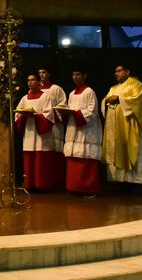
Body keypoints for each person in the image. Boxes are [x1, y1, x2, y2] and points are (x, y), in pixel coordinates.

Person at [102, 65, 142, 187]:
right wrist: (106, 101)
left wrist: (119, 99)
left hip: (130, 126)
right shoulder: (113, 88)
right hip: (116, 128)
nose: (116, 73)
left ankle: (136, 183)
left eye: (119, 71)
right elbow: (106, 100)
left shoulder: (136, 85)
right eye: (115, 71)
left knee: (134, 151)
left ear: (127, 71)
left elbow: (138, 101)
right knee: (117, 151)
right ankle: (120, 181)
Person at [15, 74, 65, 191]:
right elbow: (17, 114)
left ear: (38, 82)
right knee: (29, 159)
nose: (30, 82)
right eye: (28, 80)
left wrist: (35, 116)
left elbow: (49, 115)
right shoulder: (24, 98)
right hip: (29, 132)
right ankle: (30, 184)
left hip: (41, 135)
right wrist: (23, 116)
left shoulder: (45, 97)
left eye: (33, 80)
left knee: (41, 160)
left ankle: (42, 185)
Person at [61, 69, 102, 197]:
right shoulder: (71, 93)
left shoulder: (89, 91)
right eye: (73, 74)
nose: (75, 77)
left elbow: (92, 112)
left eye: (78, 74)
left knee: (86, 157)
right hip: (73, 128)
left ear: (85, 75)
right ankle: (75, 187)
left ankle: (89, 189)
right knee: (74, 157)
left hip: (86, 130)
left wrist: (76, 113)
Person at [38, 67, 67, 153]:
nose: (41, 74)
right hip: (39, 124)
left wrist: (51, 114)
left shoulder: (56, 89)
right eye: (39, 73)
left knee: (54, 149)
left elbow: (62, 105)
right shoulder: (35, 89)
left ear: (49, 74)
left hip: (54, 125)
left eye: (43, 72)